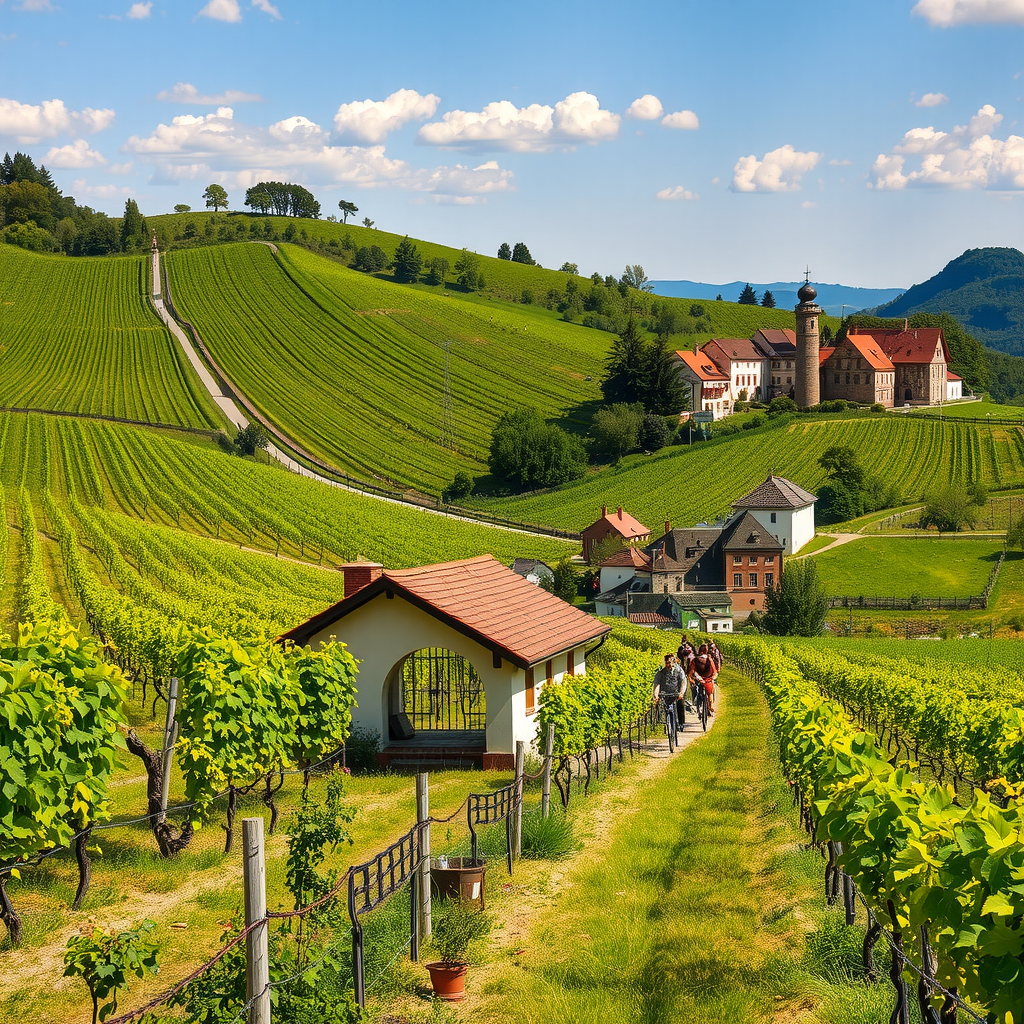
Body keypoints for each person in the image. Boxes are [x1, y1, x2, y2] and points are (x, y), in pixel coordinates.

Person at [651, 653, 684, 737]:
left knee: (680, 704)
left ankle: (680, 723)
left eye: (669, 662)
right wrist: (656, 696)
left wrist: (681, 693)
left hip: (676, 692)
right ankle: (667, 724)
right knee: (665, 708)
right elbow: (657, 685)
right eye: (666, 663)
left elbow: (683, 682)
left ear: (673, 662)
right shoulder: (661, 673)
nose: (668, 664)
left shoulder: (678, 670)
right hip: (665, 693)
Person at [692, 643, 717, 715]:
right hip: (708, 680)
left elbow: (693, 670)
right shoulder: (709, 659)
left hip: (699, 679)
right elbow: (714, 670)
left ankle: (696, 702)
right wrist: (713, 676)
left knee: (696, 688)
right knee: (710, 693)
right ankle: (710, 706)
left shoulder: (696, 659)